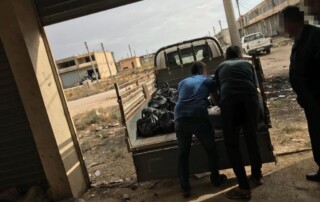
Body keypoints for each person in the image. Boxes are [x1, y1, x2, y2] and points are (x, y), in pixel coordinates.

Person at [215, 46, 262, 200]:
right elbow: (254, 85)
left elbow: (215, 90)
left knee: (232, 145)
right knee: (251, 139)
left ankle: (243, 188)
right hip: (250, 99)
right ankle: (257, 176)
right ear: (240, 55)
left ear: (226, 57)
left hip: (230, 102)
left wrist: (222, 105)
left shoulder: (221, 66)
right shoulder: (247, 64)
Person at [174, 61, 227, 198]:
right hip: (198, 116)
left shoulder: (182, 82)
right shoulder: (207, 80)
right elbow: (217, 101)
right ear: (203, 70)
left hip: (179, 117)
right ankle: (215, 179)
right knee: (211, 149)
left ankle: (185, 188)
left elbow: (184, 98)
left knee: (183, 154)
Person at [280, 6, 320, 182]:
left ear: (291, 22)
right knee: (317, 135)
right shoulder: (299, 40)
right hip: (310, 101)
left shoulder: (314, 37)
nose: (283, 28)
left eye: (284, 23)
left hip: (318, 99)